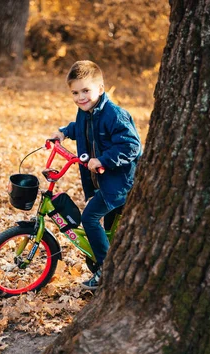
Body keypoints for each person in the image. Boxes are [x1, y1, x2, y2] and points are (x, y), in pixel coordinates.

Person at [49, 60, 142, 290]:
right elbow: (80, 127)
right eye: (75, 92)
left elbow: (131, 145)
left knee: (90, 218)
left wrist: (102, 159)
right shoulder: (86, 111)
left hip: (119, 182)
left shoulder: (114, 114)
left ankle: (105, 270)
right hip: (103, 181)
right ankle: (112, 261)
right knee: (110, 229)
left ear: (100, 89)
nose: (81, 97)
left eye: (86, 91)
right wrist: (63, 133)